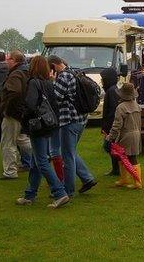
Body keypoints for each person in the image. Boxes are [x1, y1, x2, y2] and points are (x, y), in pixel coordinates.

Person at [16, 56, 70, 208]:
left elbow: (31, 105)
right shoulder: (49, 83)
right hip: (49, 125)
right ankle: (30, 194)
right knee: (36, 161)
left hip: (38, 126)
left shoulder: (33, 83)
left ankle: (60, 192)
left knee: (41, 162)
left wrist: (23, 117)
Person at [50, 56, 97, 196]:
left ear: (53, 66)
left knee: (67, 157)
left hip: (68, 120)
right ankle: (87, 178)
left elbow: (55, 98)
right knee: (71, 152)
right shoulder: (75, 72)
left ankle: (67, 190)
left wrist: (52, 81)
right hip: (81, 119)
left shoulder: (63, 77)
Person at [0, 51, 33, 180]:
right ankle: (43, 156)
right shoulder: (27, 71)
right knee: (22, 139)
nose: (6, 61)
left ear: (14, 60)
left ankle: (10, 171)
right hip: (23, 112)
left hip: (13, 113)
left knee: (7, 142)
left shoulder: (16, 74)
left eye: (8, 59)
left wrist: (7, 108)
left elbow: (15, 92)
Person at [107, 82, 143, 189]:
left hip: (125, 135)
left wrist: (110, 137)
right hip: (136, 134)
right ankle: (127, 179)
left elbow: (117, 125)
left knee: (127, 157)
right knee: (128, 157)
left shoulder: (121, 107)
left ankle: (136, 181)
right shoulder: (137, 105)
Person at [100, 68, 122, 177]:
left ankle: (117, 168)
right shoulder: (113, 90)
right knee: (110, 147)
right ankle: (116, 168)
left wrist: (107, 127)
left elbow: (112, 111)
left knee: (109, 146)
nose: (102, 82)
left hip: (111, 125)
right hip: (110, 124)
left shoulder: (111, 91)